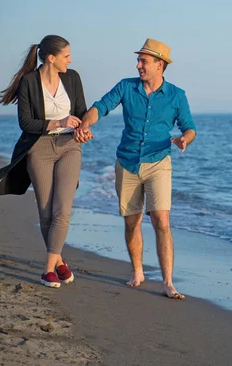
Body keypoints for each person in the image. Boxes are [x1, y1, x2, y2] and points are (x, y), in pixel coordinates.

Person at [76, 38, 196, 299]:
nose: (138, 65)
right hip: (127, 162)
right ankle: (138, 271)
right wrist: (86, 124)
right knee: (132, 222)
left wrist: (185, 138)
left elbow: (189, 126)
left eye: (143, 61)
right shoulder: (126, 87)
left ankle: (167, 282)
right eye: (139, 60)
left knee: (161, 221)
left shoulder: (177, 95)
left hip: (159, 162)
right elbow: (101, 107)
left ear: (159, 65)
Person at [0, 35, 88, 288]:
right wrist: (58, 122)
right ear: (51, 58)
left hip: (70, 146)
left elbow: (81, 112)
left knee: (63, 209)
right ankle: (59, 262)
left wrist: (83, 128)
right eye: (66, 56)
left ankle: (47, 270)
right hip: (38, 148)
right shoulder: (28, 82)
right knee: (46, 210)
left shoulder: (72, 78)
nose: (70, 60)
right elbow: (25, 123)